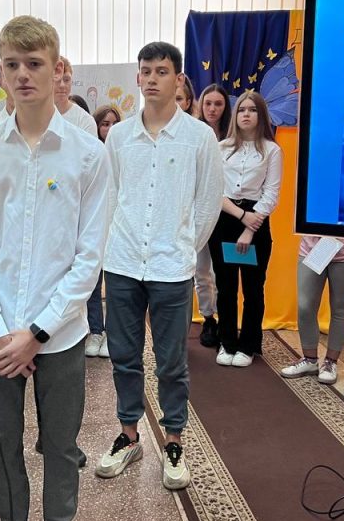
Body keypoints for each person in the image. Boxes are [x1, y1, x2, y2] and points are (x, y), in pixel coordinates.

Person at [0, 16, 109, 521]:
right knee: (2, 443)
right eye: (12, 65)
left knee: (62, 443)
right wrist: (2, 332)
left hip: (61, 333)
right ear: (0, 71)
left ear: (56, 68)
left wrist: (38, 332)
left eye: (35, 64)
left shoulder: (87, 153)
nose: (23, 75)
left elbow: (89, 256)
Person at [96, 42, 223, 490]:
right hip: (123, 262)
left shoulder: (199, 138)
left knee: (171, 362)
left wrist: (184, 247)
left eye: (162, 71)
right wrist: (111, 247)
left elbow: (207, 203)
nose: (152, 79)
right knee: (124, 357)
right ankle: (129, 435)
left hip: (172, 267)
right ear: (138, 77)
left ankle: (173, 441)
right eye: (146, 71)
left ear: (178, 79)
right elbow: (109, 197)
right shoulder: (119, 136)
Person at [208, 90, 282, 368]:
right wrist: (241, 216)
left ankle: (248, 345)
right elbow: (214, 189)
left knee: (253, 289)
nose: (246, 114)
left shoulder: (272, 150)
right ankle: (226, 342)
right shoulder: (221, 148)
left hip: (257, 222)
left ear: (261, 115)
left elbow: (271, 193)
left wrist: (250, 228)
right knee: (225, 287)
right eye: (241, 110)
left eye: (252, 110)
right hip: (226, 218)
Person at [281, 237, 344, 385]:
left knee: (340, 307)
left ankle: (330, 362)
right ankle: (310, 360)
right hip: (312, 249)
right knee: (305, 307)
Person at [193, 83, 233, 348]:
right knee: (201, 270)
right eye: (208, 103)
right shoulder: (195, 135)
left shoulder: (233, 137)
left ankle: (226, 318)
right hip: (198, 211)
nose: (212, 109)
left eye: (218, 104)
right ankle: (208, 318)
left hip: (227, 213)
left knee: (223, 273)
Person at [84, 104, 122, 358]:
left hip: (119, 228)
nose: (109, 129)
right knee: (93, 283)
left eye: (114, 124)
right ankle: (95, 330)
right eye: (105, 124)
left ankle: (111, 333)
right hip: (95, 226)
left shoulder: (123, 151)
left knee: (116, 286)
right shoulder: (91, 153)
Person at [54, 56, 99, 135]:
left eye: (66, 80)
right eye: (57, 79)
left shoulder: (85, 120)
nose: (62, 85)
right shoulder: (33, 115)